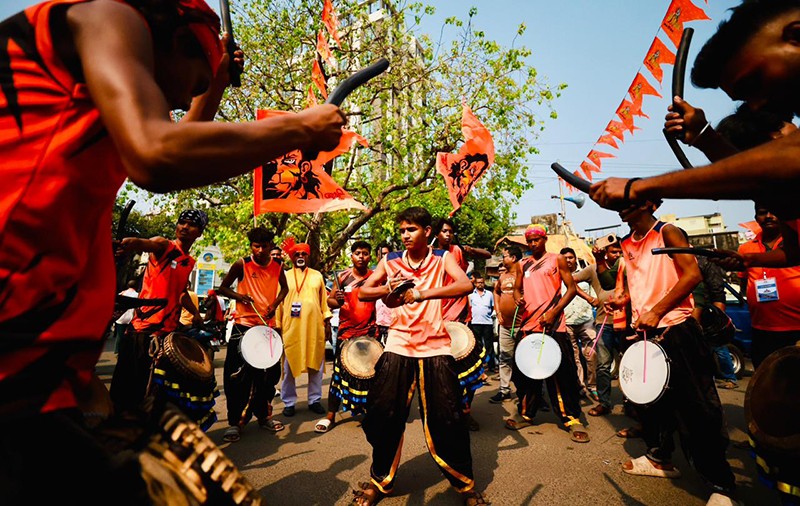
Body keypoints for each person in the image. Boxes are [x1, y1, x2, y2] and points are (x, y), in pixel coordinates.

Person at [0, 0, 345, 500]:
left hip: (38, 356)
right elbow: (157, 154)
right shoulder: (107, 17)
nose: (190, 97)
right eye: (195, 81)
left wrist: (217, 82)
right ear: (175, 38)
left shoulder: (108, 94)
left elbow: (179, 143)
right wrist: (299, 127)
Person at [605, 200, 736, 506]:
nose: (621, 207)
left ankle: (722, 485)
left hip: (677, 329)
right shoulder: (626, 242)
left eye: (628, 201)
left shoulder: (668, 232)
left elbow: (692, 275)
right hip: (647, 332)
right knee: (653, 404)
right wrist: (623, 300)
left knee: (698, 407)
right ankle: (659, 458)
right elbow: (640, 283)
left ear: (648, 204)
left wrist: (657, 310)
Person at [352, 207, 486, 506]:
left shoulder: (441, 257)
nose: (405, 235)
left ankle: (464, 485)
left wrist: (423, 293)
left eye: (411, 229)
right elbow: (363, 292)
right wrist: (388, 287)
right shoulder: (390, 259)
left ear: (427, 231)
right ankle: (379, 480)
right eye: (402, 230)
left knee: (448, 418)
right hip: (398, 345)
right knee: (383, 415)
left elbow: (465, 284)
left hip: (435, 346)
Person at [110, 210, 207, 420]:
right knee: (128, 390)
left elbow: (181, 292)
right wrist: (127, 244)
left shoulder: (188, 262)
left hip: (168, 334)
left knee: (156, 394)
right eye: (182, 222)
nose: (184, 227)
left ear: (200, 233)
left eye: (191, 224)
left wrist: (196, 314)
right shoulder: (164, 246)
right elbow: (143, 243)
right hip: (142, 331)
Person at [504, 224, 588, 443]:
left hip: (553, 325)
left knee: (562, 374)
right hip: (528, 325)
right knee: (526, 373)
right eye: (530, 241)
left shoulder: (556, 260)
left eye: (537, 240)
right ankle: (526, 414)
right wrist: (517, 297)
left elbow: (571, 289)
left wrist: (554, 312)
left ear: (545, 239)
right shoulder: (523, 264)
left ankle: (571, 418)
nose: (533, 244)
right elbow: (517, 288)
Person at [217, 227, 288, 442]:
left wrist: (275, 305)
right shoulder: (242, 264)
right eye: (256, 246)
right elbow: (223, 288)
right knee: (237, 376)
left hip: (267, 327)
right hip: (243, 326)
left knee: (267, 376)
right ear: (251, 246)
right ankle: (234, 422)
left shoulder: (278, 265)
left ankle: (264, 416)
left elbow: (284, 289)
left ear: (270, 245)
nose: (260, 250)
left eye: (264, 246)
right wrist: (240, 296)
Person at [433, 217, 492, 431]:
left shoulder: (458, 251)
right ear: (435, 234)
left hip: (460, 319)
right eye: (444, 231)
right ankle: (444, 412)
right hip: (437, 319)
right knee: (439, 374)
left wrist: (471, 249)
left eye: (450, 231)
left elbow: (487, 255)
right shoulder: (429, 255)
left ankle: (465, 412)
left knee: (468, 371)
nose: (448, 234)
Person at [315, 241, 376, 433]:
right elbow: (330, 302)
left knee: (369, 376)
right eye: (357, 253)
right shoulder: (343, 277)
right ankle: (331, 415)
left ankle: (368, 412)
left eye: (365, 253)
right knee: (339, 376)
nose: (361, 257)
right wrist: (338, 301)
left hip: (369, 333)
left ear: (370, 257)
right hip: (346, 334)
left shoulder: (375, 277)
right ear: (352, 256)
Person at [737, 204, 800, 369]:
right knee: (767, 378)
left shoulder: (795, 244)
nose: (769, 216)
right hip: (762, 330)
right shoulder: (745, 249)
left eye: (774, 211)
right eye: (763, 213)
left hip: (796, 327)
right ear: (756, 217)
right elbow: (744, 283)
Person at [573, 240, 627, 417]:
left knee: (628, 364)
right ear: (605, 253)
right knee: (603, 365)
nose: (617, 255)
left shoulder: (627, 266)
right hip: (604, 323)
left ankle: (631, 402)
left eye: (620, 252)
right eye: (613, 252)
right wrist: (589, 298)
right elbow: (570, 280)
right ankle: (604, 403)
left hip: (627, 323)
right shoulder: (594, 269)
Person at [279, 242, 331, 417]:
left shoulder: (317, 275)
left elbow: (324, 302)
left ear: (308, 256)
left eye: (304, 254)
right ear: (292, 257)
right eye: (297, 254)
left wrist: (327, 323)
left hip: (314, 327)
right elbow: (279, 303)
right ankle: (289, 402)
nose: (300, 256)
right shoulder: (284, 276)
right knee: (288, 367)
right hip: (291, 328)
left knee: (316, 364)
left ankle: (314, 400)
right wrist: (277, 325)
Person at [560, 247, 597, 399]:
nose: (568, 260)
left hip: (586, 320)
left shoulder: (586, 274)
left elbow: (594, 296)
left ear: (575, 258)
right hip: (567, 322)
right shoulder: (558, 277)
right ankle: (580, 387)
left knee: (591, 354)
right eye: (564, 258)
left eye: (570, 257)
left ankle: (593, 386)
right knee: (574, 358)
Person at [490, 246, 523, 404]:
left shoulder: (524, 274)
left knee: (526, 359)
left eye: (504, 256)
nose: (502, 259)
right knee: (504, 358)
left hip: (523, 325)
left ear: (513, 258)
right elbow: (496, 292)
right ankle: (504, 390)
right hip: (505, 326)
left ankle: (534, 395)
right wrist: (498, 312)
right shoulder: (502, 277)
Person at [469, 274, 496, 372]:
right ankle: (479, 367)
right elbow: (469, 308)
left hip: (487, 323)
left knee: (489, 345)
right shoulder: (471, 295)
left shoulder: (489, 294)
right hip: (475, 322)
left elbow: (492, 307)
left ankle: (491, 366)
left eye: (482, 282)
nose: (480, 284)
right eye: (478, 283)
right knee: (477, 345)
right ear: (475, 284)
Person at [115, 280, 139, 354]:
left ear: (128, 286)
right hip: (131, 319)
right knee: (129, 336)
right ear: (136, 286)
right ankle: (127, 351)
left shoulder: (122, 294)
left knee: (120, 336)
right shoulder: (137, 295)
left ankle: (117, 351)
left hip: (121, 318)